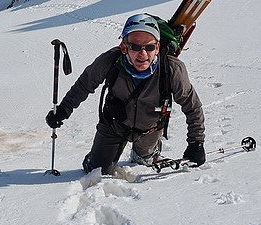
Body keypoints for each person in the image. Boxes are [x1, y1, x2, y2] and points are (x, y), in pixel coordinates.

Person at [45, 13, 206, 174]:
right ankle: (97, 157)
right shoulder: (110, 61)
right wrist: (63, 110)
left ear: (157, 48)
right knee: (97, 171)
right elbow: (84, 85)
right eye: (135, 47)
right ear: (124, 47)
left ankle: (148, 152)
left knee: (144, 160)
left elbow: (192, 106)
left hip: (150, 128)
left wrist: (196, 143)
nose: (143, 53)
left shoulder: (172, 69)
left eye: (149, 47)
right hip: (114, 124)